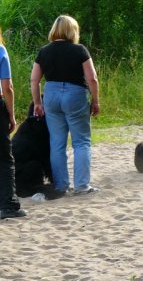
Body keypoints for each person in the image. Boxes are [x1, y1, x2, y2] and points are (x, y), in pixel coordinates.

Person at [30, 15, 100, 195]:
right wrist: (96, 100)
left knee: (57, 143)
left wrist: (38, 102)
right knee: (81, 142)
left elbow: (34, 79)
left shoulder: (43, 51)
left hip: (51, 95)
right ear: (72, 30)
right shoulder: (80, 50)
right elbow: (92, 78)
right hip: (75, 94)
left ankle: (61, 186)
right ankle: (82, 186)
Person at [0, 27, 26, 218]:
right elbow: (7, 87)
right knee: (4, 159)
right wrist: (11, 114)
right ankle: (8, 205)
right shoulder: (0, 50)